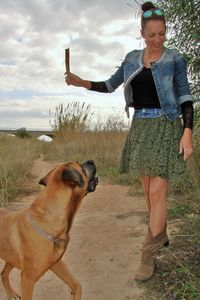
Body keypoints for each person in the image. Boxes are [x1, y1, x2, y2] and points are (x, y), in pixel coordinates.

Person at [65, 1, 193, 282]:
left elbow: (184, 95)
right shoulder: (132, 58)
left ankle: (148, 253)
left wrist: (187, 132)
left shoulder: (175, 59)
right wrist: (80, 82)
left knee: (158, 194)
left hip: (166, 126)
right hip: (141, 127)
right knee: (148, 194)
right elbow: (110, 85)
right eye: (152, 35)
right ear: (142, 33)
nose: (157, 40)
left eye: (162, 34)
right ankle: (161, 232)